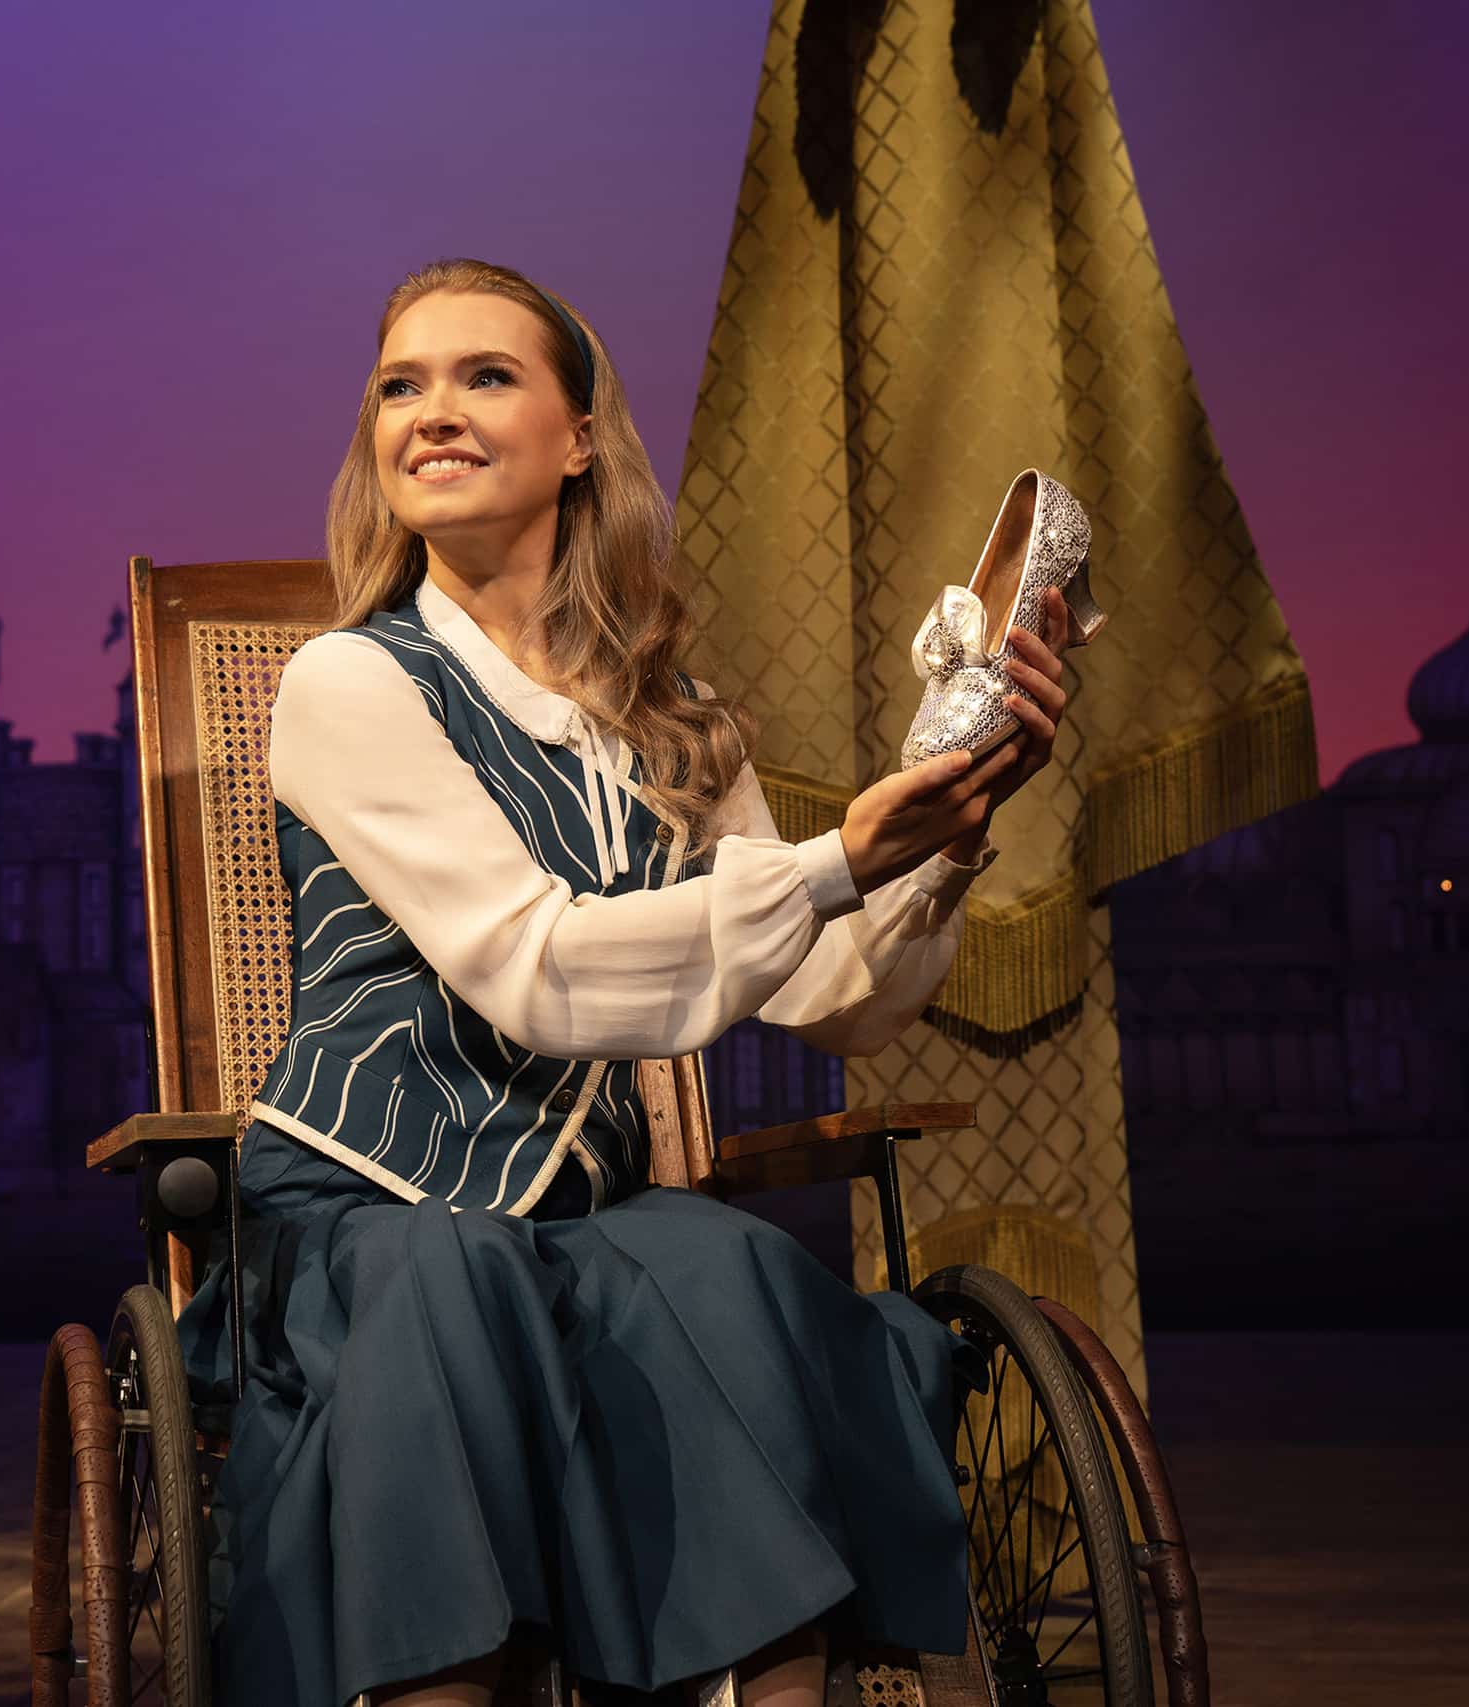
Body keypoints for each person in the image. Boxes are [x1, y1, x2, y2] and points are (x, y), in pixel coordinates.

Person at [176, 256, 1075, 1707]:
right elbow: (533, 966)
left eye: (485, 376)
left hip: (572, 1222)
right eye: (400, 386)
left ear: (580, 436)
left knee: (727, 1272)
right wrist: (841, 856)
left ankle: (760, 1685)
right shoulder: (352, 684)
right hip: (372, 1215)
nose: (432, 412)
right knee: (456, 1276)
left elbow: (836, 994)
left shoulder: (672, 723)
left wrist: (947, 841)